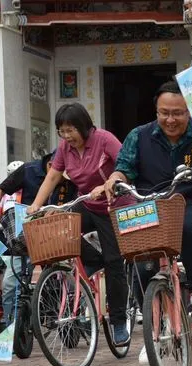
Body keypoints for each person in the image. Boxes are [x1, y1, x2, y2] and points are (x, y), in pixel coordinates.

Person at [104, 80, 192, 362]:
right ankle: (154, 331)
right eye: (164, 112)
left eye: (178, 113)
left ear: (188, 113)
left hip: (188, 199)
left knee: (189, 227)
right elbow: (124, 168)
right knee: (141, 261)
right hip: (149, 203)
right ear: (156, 111)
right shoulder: (139, 135)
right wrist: (114, 179)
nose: (170, 119)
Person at [26, 103, 130, 346]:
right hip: (87, 203)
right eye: (61, 131)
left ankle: (118, 322)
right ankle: (93, 260)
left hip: (113, 206)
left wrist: (111, 183)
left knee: (114, 262)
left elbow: (127, 164)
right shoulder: (65, 148)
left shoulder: (104, 140)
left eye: (70, 130)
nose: (66, 136)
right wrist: (37, 205)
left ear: (84, 126)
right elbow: (53, 175)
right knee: (58, 231)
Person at [0, 157, 78, 326]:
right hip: (27, 234)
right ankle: (10, 327)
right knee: (10, 284)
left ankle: (72, 319)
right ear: (52, 165)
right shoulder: (29, 170)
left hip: (57, 235)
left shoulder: (73, 176)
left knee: (65, 279)